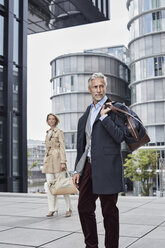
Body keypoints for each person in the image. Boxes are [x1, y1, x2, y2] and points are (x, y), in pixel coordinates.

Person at [73, 72, 128, 248]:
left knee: (109, 211)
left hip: (108, 168)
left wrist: (104, 117)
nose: (99, 90)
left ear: (105, 87)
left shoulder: (115, 109)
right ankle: (91, 245)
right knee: (84, 208)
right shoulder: (85, 116)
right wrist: (77, 170)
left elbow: (120, 137)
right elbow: (82, 146)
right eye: (95, 86)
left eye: (102, 86)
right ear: (90, 89)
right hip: (88, 167)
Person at [42, 113, 72, 217]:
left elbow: (62, 147)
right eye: (49, 119)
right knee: (50, 186)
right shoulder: (47, 132)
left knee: (62, 185)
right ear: (47, 121)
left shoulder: (59, 132)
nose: (51, 120)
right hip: (48, 161)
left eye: (53, 119)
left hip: (58, 160)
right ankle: (52, 209)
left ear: (56, 120)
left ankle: (68, 208)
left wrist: (63, 161)